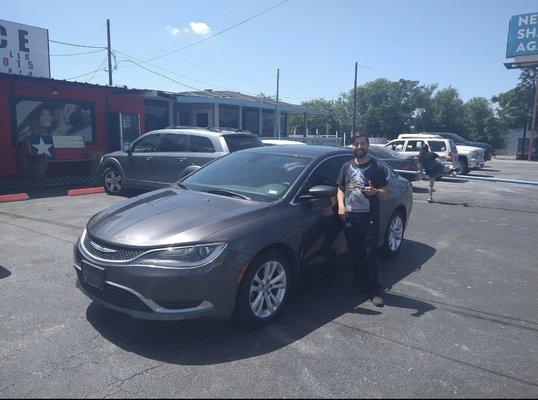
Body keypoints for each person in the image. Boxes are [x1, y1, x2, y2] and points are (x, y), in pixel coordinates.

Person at [337, 133, 388, 307]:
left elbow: (385, 192)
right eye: (356, 144)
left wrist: (375, 192)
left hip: (369, 218)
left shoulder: (376, 167)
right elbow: (341, 188)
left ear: (367, 145)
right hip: (351, 217)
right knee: (355, 253)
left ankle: (374, 290)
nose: (359, 147)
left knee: (370, 254)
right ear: (352, 146)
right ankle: (358, 283)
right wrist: (341, 206)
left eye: (363, 144)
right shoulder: (346, 166)